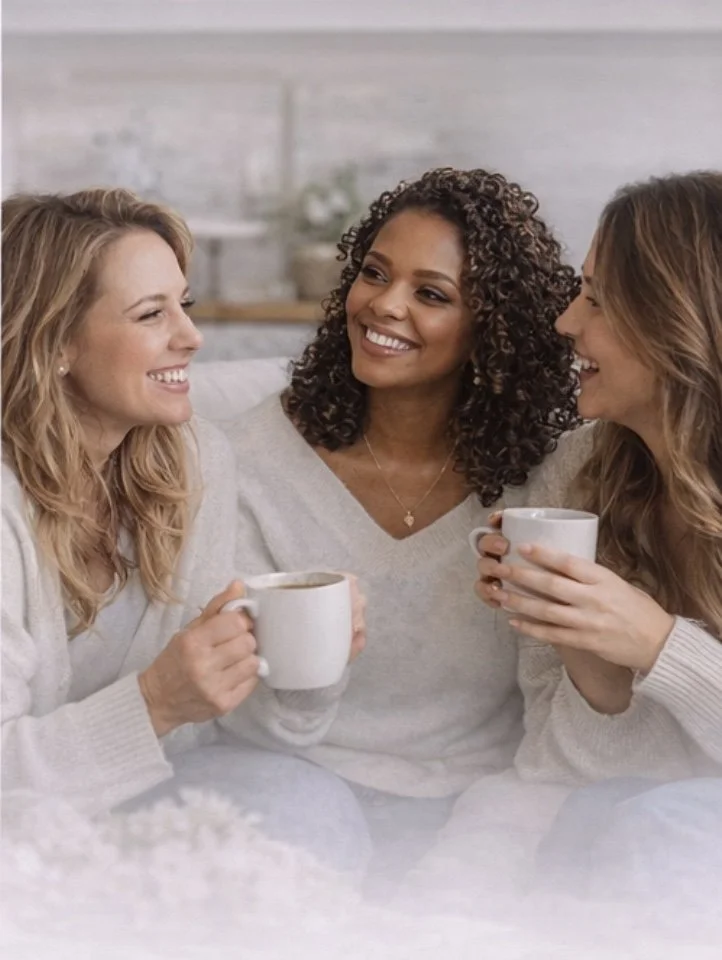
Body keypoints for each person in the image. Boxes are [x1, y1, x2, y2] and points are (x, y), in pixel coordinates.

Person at [218, 166, 580, 884]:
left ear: (491, 329)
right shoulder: (253, 456)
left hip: (483, 795)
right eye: (374, 273)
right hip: (286, 780)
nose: (383, 306)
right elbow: (232, 706)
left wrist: (489, 836)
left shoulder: (545, 482)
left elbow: (559, 708)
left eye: (432, 294)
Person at [1, 190, 370, 874]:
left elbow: (220, 733)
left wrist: (304, 670)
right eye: (151, 314)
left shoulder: (191, 459)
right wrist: (154, 703)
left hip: (150, 804)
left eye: (185, 305)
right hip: (20, 839)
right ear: (54, 343)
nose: (191, 337)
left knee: (309, 802)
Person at [474, 170, 722, 902]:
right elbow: (564, 770)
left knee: (658, 825)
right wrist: (582, 642)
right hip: (616, 820)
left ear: (684, 318)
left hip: (668, 834)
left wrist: (657, 645)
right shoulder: (577, 473)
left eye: (599, 299)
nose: (566, 323)